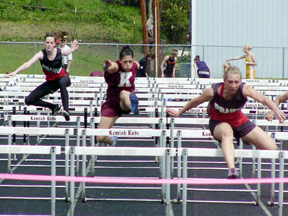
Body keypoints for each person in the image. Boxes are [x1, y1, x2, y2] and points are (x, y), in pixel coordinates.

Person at [167, 63, 285, 179]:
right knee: (227, 132)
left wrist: (276, 110)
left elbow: (263, 99)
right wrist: (179, 112)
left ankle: (244, 136)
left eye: (236, 82)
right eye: (230, 82)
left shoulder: (245, 90)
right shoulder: (213, 92)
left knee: (272, 149)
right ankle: (232, 169)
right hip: (219, 123)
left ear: (240, 81)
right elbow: (195, 102)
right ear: (224, 81)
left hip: (239, 121)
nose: (233, 85)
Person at [5, 31, 79, 121]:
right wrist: (16, 71)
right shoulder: (41, 54)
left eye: (51, 43)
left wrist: (72, 49)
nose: (49, 45)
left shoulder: (59, 51)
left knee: (62, 82)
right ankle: (54, 107)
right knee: (29, 100)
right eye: (47, 43)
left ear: (55, 44)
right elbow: (28, 63)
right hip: (51, 82)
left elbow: (66, 53)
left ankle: (66, 111)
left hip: (63, 77)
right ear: (44, 43)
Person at [97, 46, 140, 146]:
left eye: (130, 61)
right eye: (125, 62)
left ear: (133, 60)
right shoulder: (116, 66)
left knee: (124, 93)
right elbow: (111, 67)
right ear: (120, 61)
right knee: (99, 137)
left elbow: (137, 64)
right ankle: (112, 140)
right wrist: (106, 66)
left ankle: (133, 106)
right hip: (112, 103)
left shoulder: (135, 65)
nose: (128, 64)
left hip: (125, 101)